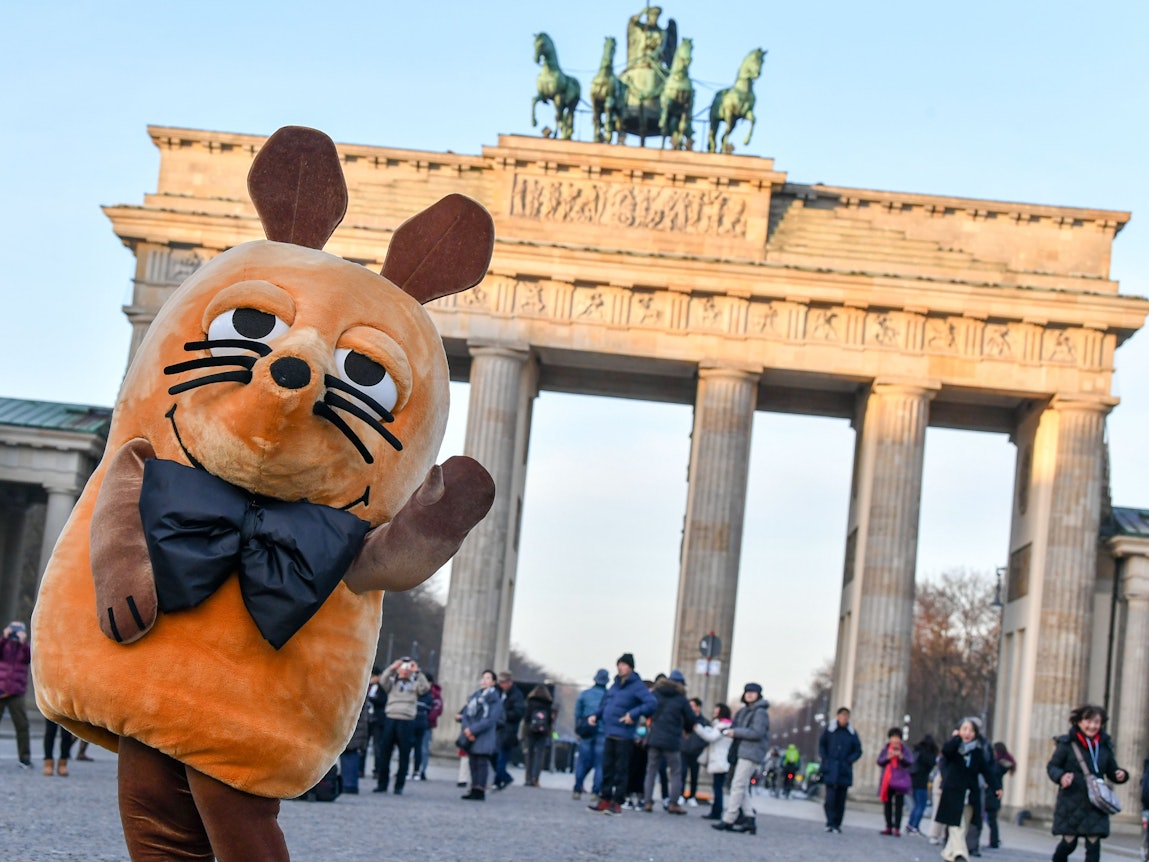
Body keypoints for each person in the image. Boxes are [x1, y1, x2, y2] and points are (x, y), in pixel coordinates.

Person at [1046, 704, 1128, 862]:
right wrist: (1061, 776)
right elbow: (1052, 766)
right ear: (1078, 722)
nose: (1092, 726)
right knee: (1069, 843)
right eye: (1088, 721)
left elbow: (1112, 770)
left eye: (1096, 722)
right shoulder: (1067, 744)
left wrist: (1121, 775)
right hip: (1072, 800)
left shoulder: (1104, 746)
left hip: (1096, 801)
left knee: (1093, 844)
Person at [586, 653, 657, 815]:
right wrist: (595, 715)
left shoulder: (637, 686)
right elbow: (606, 704)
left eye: (624, 665)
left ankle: (617, 802)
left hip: (624, 734)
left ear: (631, 667)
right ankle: (605, 799)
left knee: (621, 769)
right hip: (609, 731)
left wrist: (633, 714)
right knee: (607, 768)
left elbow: (651, 703)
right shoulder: (615, 686)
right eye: (619, 664)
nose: (620, 667)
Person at [936, 718, 1000, 862]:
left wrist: (997, 787)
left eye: (971, 730)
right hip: (953, 792)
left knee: (963, 827)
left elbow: (987, 771)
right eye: (964, 729)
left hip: (970, 795)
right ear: (959, 731)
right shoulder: (954, 748)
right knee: (955, 825)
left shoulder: (977, 752)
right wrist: (955, 738)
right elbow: (946, 751)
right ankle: (961, 855)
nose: (967, 733)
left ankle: (948, 853)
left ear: (975, 733)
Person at [712, 682, 770, 835]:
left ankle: (729, 819)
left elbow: (757, 732)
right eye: (747, 692)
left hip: (750, 753)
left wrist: (735, 732)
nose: (749, 694)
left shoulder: (760, 713)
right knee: (741, 786)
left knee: (737, 785)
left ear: (759, 694)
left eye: (753, 692)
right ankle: (749, 819)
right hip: (741, 751)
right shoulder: (744, 711)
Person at [373, 657, 430, 795]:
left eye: (407, 668)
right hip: (391, 718)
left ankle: (399, 785)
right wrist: (392, 667)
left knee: (404, 754)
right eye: (403, 668)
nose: (405, 671)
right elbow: (382, 681)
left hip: (407, 720)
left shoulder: (415, 684)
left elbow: (426, 688)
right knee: (384, 753)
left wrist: (418, 672)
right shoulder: (392, 683)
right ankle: (382, 783)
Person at [642, 669, 695, 814]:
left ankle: (647, 802)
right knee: (676, 772)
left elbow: (646, 710)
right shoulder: (681, 698)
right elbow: (690, 718)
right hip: (672, 740)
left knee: (651, 770)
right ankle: (673, 803)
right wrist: (687, 730)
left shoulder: (656, 694)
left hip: (655, 737)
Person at [459, 669, 504, 801]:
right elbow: (466, 713)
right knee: (472, 761)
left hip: (484, 733)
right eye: (483, 677)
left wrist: (473, 730)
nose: (484, 681)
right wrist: (467, 729)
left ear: (493, 682)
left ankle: (480, 789)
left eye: (488, 678)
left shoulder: (494, 699)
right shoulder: (475, 696)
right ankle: (473, 787)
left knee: (481, 761)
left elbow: (491, 719)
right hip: (471, 732)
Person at [819, 706, 863, 833]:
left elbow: (858, 750)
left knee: (841, 800)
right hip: (831, 768)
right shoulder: (830, 731)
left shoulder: (852, 733)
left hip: (844, 770)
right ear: (837, 716)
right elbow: (822, 744)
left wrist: (849, 760)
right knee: (830, 799)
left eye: (846, 716)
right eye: (842, 715)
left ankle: (837, 823)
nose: (844, 718)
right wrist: (825, 759)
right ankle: (830, 822)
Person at [572, 668, 609, 801]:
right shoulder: (609, 695)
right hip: (602, 732)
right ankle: (595, 792)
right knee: (600, 764)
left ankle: (577, 789)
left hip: (586, 731)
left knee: (582, 762)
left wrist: (578, 729)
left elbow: (577, 713)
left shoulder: (584, 694)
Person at [694, 702, 733, 820]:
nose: (714, 712)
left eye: (717, 710)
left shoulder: (722, 726)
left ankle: (717, 812)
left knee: (717, 787)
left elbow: (711, 737)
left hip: (720, 759)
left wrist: (698, 728)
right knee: (718, 787)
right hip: (721, 758)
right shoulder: (723, 725)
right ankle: (717, 811)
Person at [0, 621, 31, 768]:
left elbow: (30, 658)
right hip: (0, 690)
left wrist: (23, 642)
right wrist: (4, 638)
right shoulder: (3, 644)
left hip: (16, 692)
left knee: (22, 726)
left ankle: (24, 758)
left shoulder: (24, 648)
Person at [877, 727, 914, 836]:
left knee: (899, 805)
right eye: (893, 737)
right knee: (887, 804)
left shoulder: (905, 750)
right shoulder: (886, 749)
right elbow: (880, 761)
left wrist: (901, 757)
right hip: (888, 780)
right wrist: (888, 757)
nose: (895, 740)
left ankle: (897, 827)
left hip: (900, 781)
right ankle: (888, 826)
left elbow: (910, 761)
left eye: (897, 737)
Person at [493, 670, 525, 790]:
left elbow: (518, 713)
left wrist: (502, 715)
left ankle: (500, 780)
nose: (502, 685)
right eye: (500, 682)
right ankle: (502, 778)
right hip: (497, 729)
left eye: (504, 683)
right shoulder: (497, 692)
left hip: (508, 731)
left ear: (510, 682)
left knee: (502, 757)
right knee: (494, 756)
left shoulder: (517, 695)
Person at [984, 741, 1016, 849]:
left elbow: (991, 774)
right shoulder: (1002, 764)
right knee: (991, 818)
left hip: (992, 792)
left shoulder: (998, 765)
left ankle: (994, 841)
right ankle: (995, 840)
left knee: (991, 819)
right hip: (995, 792)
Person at [907, 734, 940, 834]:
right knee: (921, 805)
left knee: (916, 805)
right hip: (921, 781)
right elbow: (931, 764)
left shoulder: (916, 751)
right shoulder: (927, 754)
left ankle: (910, 825)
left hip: (913, 779)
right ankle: (915, 826)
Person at [523, 684, 555, 787]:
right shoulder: (548, 704)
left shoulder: (530, 702)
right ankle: (536, 778)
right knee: (539, 756)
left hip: (530, 732)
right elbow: (550, 721)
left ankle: (528, 778)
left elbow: (527, 718)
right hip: (543, 733)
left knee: (530, 755)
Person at [680, 697, 708, 806]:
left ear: (698, 707)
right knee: (682, 774)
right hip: (684, 750)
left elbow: (707, 737)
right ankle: (681, 795)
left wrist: (699, 746)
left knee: (694, 776)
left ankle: (692, 796)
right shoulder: (684, 719)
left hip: (696, 752)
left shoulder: (704, 721)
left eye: (693, 706)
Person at [339, 695, 369, 794]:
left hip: (351, 726)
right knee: (351, 754)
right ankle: (350, 784)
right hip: (356, 726)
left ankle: (348, 784)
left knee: (349, 754)